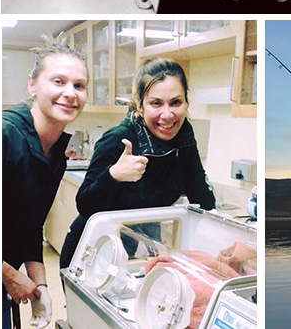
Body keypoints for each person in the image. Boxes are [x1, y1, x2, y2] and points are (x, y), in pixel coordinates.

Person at [58, 57, 217, 268]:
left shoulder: (184, 137)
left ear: (186, 102)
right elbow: (85, 204)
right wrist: (113, 175)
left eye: (176, 102)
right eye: (156, 103)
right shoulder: (119, 138)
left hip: (136, 251)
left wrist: (219, 235)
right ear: (140, 105)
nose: (167, 115)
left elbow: (201, 196)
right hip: (92, 249)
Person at [2, 37, 88, 329]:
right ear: (32, 85)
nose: (70, 93)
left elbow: (30, 225)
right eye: (58, 81)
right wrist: (10, 277)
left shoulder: (55, 154)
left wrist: (42, 288)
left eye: (79, 85)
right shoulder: (4, 136)